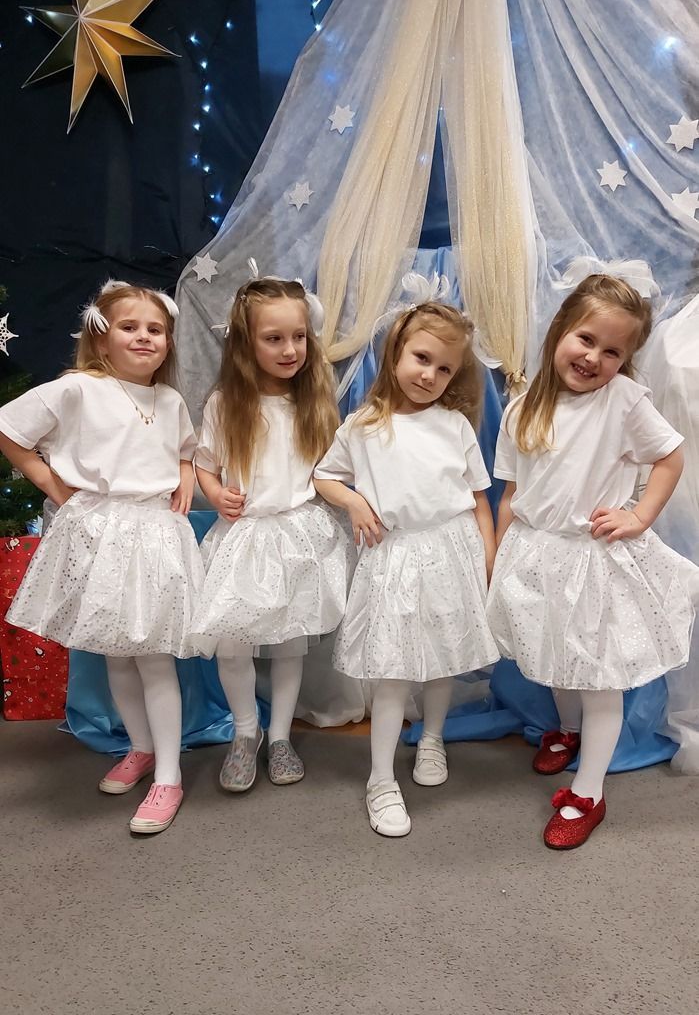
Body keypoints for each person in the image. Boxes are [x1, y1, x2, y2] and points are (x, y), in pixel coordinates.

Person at [487, 260, 699, 849]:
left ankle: (589, 793)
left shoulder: (624, 401)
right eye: (585, 339)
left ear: (625, 359)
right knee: (555, 657)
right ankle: (567, 729)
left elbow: (670, 457)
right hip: (535, 555)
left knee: (596, 673)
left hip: (592, 561)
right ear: (561, 328)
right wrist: (499, 556)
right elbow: (512, 493)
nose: (593, 358)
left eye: (611, 351)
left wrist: (639, 515)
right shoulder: (522, 406)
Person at [0, 280, 204, 835]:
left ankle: (169, 776)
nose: (144, 337)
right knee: (117, 655)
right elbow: (10, 428)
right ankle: (140, 748)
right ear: (101, 336)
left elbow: (185, 450)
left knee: (154, 657)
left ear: (169, 342)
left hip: (154, 535)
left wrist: (185, 471)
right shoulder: (79, 388)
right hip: (100, 533)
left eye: (156, 329)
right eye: (129, 327)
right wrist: (49, 481)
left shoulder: (171, 401)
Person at [314, 293, 498, 837]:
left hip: (451, 551)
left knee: (442, 659)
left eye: (444, 369)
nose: (430, 375)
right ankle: (380, 779)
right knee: (392, 671)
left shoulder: (455, 425)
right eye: (422, 358)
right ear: (395, 352)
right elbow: (324, 476)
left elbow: (479, 498)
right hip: (393, 556)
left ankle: (433, 737)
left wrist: (488, 555)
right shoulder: (364, 425)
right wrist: (353, 501)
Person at [188, 269, 354, 792]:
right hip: (244, 538)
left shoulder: (314, 402)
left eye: (298, 337)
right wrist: (216, 494)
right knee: (232, 642)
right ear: (246, 343)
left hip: (299, 538)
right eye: (274, 338)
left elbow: (327, 472)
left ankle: (280, 736)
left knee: (289, 643)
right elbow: (204, 464)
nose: (289, 350)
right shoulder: (225, 404)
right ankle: (246, 732)